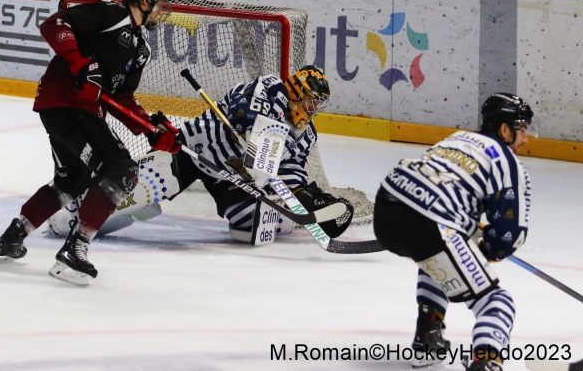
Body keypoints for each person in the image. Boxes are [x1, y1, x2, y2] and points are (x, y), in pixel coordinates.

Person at [0, 0, 179, 286]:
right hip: (66, 103)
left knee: (71, 181)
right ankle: (74, 251)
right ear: (144, 0)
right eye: (159, 2)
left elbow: (121, 99)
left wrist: (150, 129)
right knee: (121, 170)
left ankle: (11, 239)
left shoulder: (140, 50)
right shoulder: (111, 13)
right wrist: (79, 63)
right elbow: (55, 24)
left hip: (74, 111)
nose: (162, 10)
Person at [54, 67, 353, 243]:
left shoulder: (306, 134)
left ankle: (298, 212)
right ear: (297, 90)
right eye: (312, 101)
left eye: (318, 104)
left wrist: (308, 198)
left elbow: (291, 172)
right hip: (195, 149)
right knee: (144, 190)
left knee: (255, 226)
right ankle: (74, 212)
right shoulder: (270, 88)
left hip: (231, 177)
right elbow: (241, 108)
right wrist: (249, 124)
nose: (314, 109)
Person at [373, 93, 533, 371]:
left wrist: (466, 231)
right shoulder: (506, 160)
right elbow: (509, 233)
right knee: (496, 302)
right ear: (505, 129)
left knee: (436, 261)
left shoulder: (457, 139)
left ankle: (427, 340)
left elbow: (442, 186)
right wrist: (487, 249)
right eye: (522, 129)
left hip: (387, 209)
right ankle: (486, 361)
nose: (526, 139)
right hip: (431, 224)